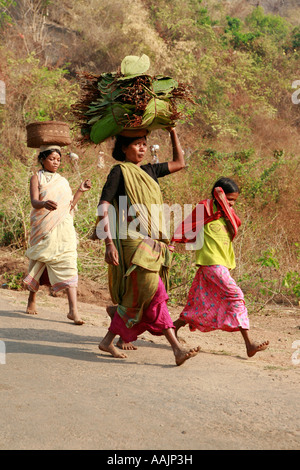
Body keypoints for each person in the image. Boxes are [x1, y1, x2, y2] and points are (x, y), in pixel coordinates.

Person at [96, 128, 200, 365]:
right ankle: (176, 348)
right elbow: (104, 207)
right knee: (153, 291)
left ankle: (110, 336)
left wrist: (173, 130)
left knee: (149, 294)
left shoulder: (150, 171)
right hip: (132, 241)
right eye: (136, 144)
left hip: (154, 243)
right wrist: (108, 243)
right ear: (123, 148)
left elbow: (180, 162)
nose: (142, 148)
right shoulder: (119, 172)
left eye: (145, 144)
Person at [172, 177, 269, 358]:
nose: (231, 203)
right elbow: (186, 226)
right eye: (229, 199)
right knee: (236, 295)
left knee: (199, 303)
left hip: (221, 265)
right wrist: (172, 243)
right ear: (219, 194)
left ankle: (172, 328)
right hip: (211, 263)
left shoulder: (228, 216)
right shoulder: (206, 209)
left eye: (234, 201)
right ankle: (249, 344)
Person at [23, 145, 92, 325]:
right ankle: (32, 299)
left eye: (58, 159)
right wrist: (44, 203)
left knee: (69, 263)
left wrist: (80, 191)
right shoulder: (36, 177)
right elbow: (34, 201)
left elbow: (69, 206)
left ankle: (73, 311)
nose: (56, 162)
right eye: (52, 159)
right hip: (44, 226)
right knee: (40, 260)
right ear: (43, 159)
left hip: (64, 228)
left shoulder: (62, 181)